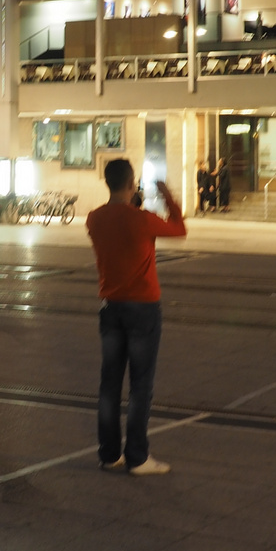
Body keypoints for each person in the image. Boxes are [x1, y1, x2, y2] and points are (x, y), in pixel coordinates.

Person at [85, 158, 186, 476]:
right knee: (141, 385)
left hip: (111, 307)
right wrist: (168, 195)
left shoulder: (93, 218)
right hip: (142, 308)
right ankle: (138, 457)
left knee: (109, 385)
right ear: (132, 184)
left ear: (107, 182)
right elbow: (179, 229)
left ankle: (109, 453)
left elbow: (116, 223)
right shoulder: (143, 220)